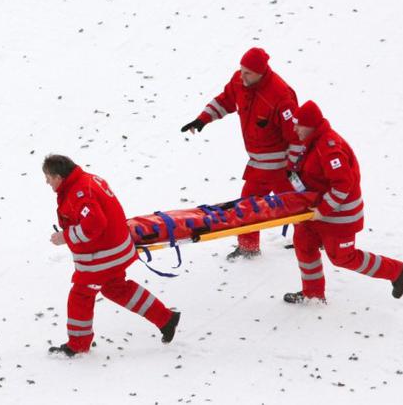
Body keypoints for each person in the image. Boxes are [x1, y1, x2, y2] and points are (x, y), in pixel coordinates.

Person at [44, 154, 180, 357]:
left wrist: (65, 236)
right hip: (117, 248)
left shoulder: (79, 192)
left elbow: (95, 224)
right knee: (115, 288)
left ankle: (78, 345)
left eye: (48, 177)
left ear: (58, 176)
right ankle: (166, 319)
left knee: (81, 294)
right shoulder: (87, 180)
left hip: (103, 255)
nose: (47, 182)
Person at [181, 48, 300, 259]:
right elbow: (225, 100)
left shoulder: (281, 95)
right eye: (241, 70)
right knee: (247, 207)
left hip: (282, 168)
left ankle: (311, 242)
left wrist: (293, 167)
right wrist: (202, 119)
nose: (242, 76)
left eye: (248, 73)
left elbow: (296, 136)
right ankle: (248, 247)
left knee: (297, 208)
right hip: (257, 165)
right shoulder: (239, 81)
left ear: (262, 73)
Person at [284, 101, 403, 303]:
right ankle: (313, 294)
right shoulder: (311, 142)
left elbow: (343, 184)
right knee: (304, 243)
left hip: (339, 216)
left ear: (311, 125)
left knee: (342, 257)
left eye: (299, 124)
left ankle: (397, 272)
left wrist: (323, 209)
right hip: (316, 212)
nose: (294, 128)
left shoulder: (328, 147)